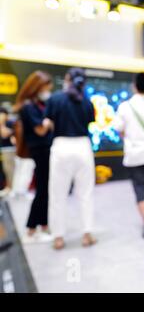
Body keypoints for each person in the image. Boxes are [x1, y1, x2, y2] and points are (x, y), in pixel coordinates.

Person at [45, 68, 97, 250]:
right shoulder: (87, 102)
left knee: (58, 194)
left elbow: (48, 124)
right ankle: (87, 234)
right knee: (85, 193)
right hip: (83, 147)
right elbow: (89, 122)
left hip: (61, 146)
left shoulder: (55, 99)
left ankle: (58, 237)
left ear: (67, 79)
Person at [14, 71, 54, 242]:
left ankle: (42, 225)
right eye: (46, 87)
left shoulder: (36, 105)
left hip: (44, 150)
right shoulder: (28, 107)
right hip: (40, 151)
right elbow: (40, 129)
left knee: (44, 190)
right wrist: (48, 122)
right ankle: (31, 228)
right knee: (42, 190)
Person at [114, 73, 144, 239]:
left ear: (134, 85)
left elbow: (119, 129)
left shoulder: (126, 106)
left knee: (141, 187)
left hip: (135, 154)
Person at [0, 106, 16, 197]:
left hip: (10, 149)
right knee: (6, 169)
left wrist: (1, 124)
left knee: (10, 169)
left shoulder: (9, 122)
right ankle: (9, 187)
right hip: (4, 149)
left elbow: (5, 134)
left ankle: (12, 188)